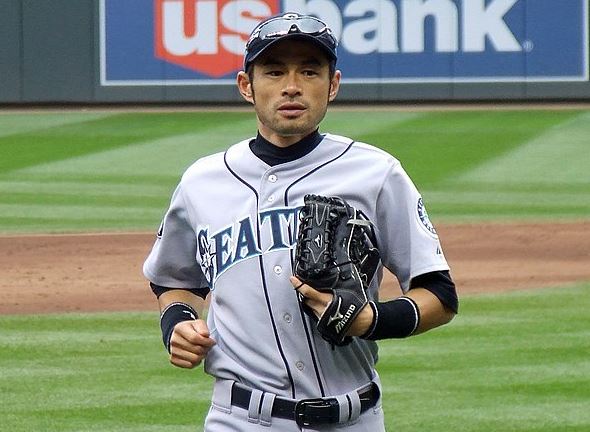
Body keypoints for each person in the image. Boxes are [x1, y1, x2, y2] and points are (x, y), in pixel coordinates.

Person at [143, 12, 458, 431]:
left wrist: (372, 320)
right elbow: (173, 278)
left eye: (310, 71)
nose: (292, 86)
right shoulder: (202, 181)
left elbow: (439, 294)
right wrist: (177, 322)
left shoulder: (376, 173)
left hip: (354, 418)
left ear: (333, 85)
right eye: (274, 71)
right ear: (246, 86)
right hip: (239, 419)